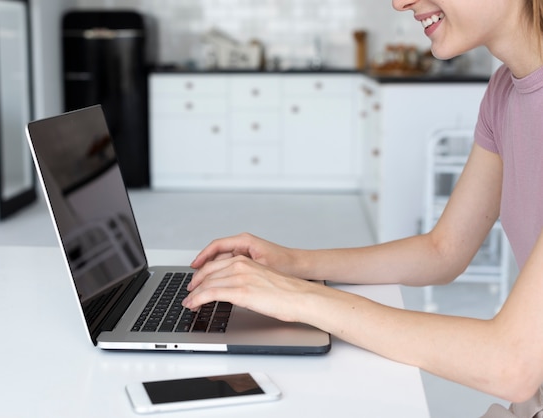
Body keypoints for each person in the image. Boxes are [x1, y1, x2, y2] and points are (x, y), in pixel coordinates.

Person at [182, 0, 543, 416]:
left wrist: (300, 299)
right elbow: (443, 251)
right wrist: (293, 263)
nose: (400, 1)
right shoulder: (504, 92)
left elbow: (511, 363)